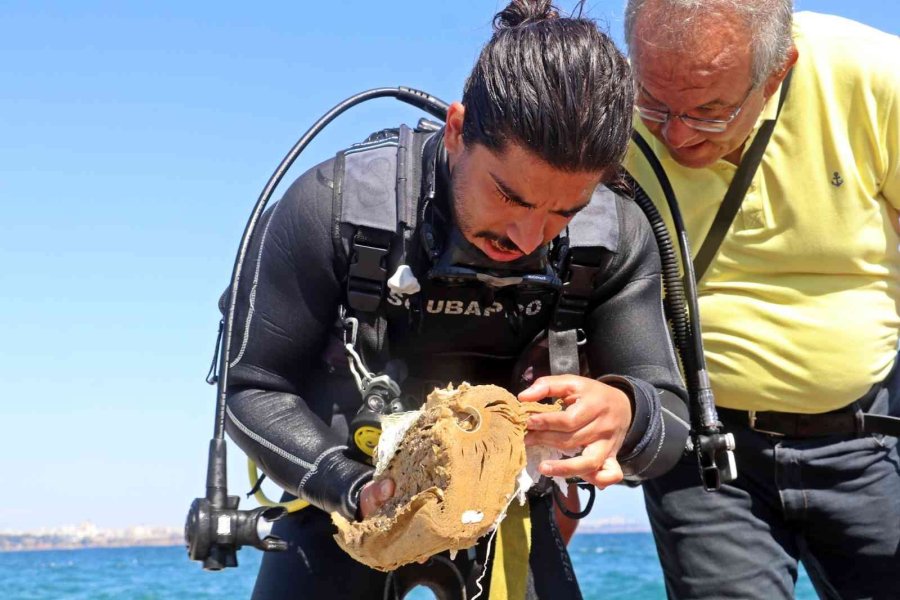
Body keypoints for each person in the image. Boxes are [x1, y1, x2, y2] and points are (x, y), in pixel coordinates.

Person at [224, 1, 690, 598]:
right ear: (455, 131)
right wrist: (351, 487)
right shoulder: (332, 210)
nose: (526, 238)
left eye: (564, 212)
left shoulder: (614, 236)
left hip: (507, 505)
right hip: (342, 498)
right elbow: (253, 386)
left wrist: (628, 412)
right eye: (510, 197)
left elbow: (672, 418)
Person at [623, 0, 900, 598]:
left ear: (778, 70)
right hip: (704, 452)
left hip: (872, 437)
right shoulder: (609, 111)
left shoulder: (879, 76)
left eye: (707, 111)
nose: (674, 135)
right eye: (654, 103)